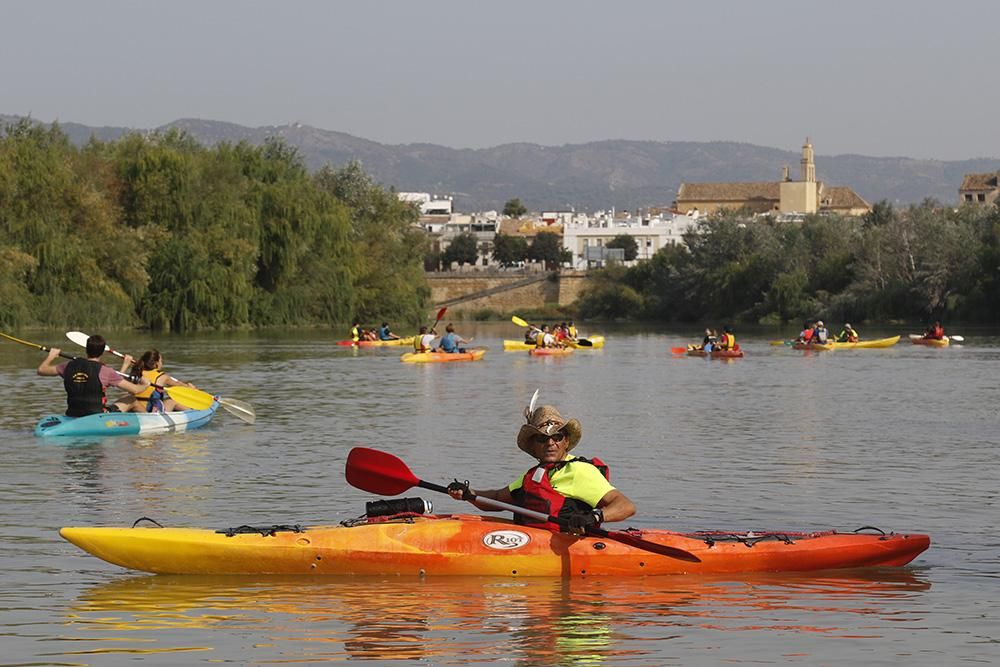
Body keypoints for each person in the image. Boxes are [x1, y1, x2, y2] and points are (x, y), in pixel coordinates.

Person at [447, 404, 636, 533]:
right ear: (534, 445)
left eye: (557, 437)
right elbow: (497, 499)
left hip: (573, 545)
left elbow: (626, 506)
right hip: (534, 541)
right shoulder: (535, 475)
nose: (551, 443)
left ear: (566, 441)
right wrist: (468, 494)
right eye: (542, 439)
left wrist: (594, 517)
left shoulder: (579, 471)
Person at [36, 334, 149, 416]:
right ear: (102, 352)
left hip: (73, 413)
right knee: (131, 399)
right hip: (97, 415)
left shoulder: (67, 366)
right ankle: (152, 421)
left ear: (86, 349)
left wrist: (51, 355)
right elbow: (135, 390)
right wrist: (145, 384)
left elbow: (41, 370)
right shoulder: (105, 371)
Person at [115, 349, 197, 413]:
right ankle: (195, 411)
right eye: (161, 361)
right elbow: (179, 385)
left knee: (126, 396)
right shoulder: (162, 376)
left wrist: (125, 364)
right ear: (157, 364)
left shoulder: (136, 372)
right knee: (170, 401)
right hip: (150, 411)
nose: (162, 363)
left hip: (134, 408)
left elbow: (118, 380)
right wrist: (190, 387)